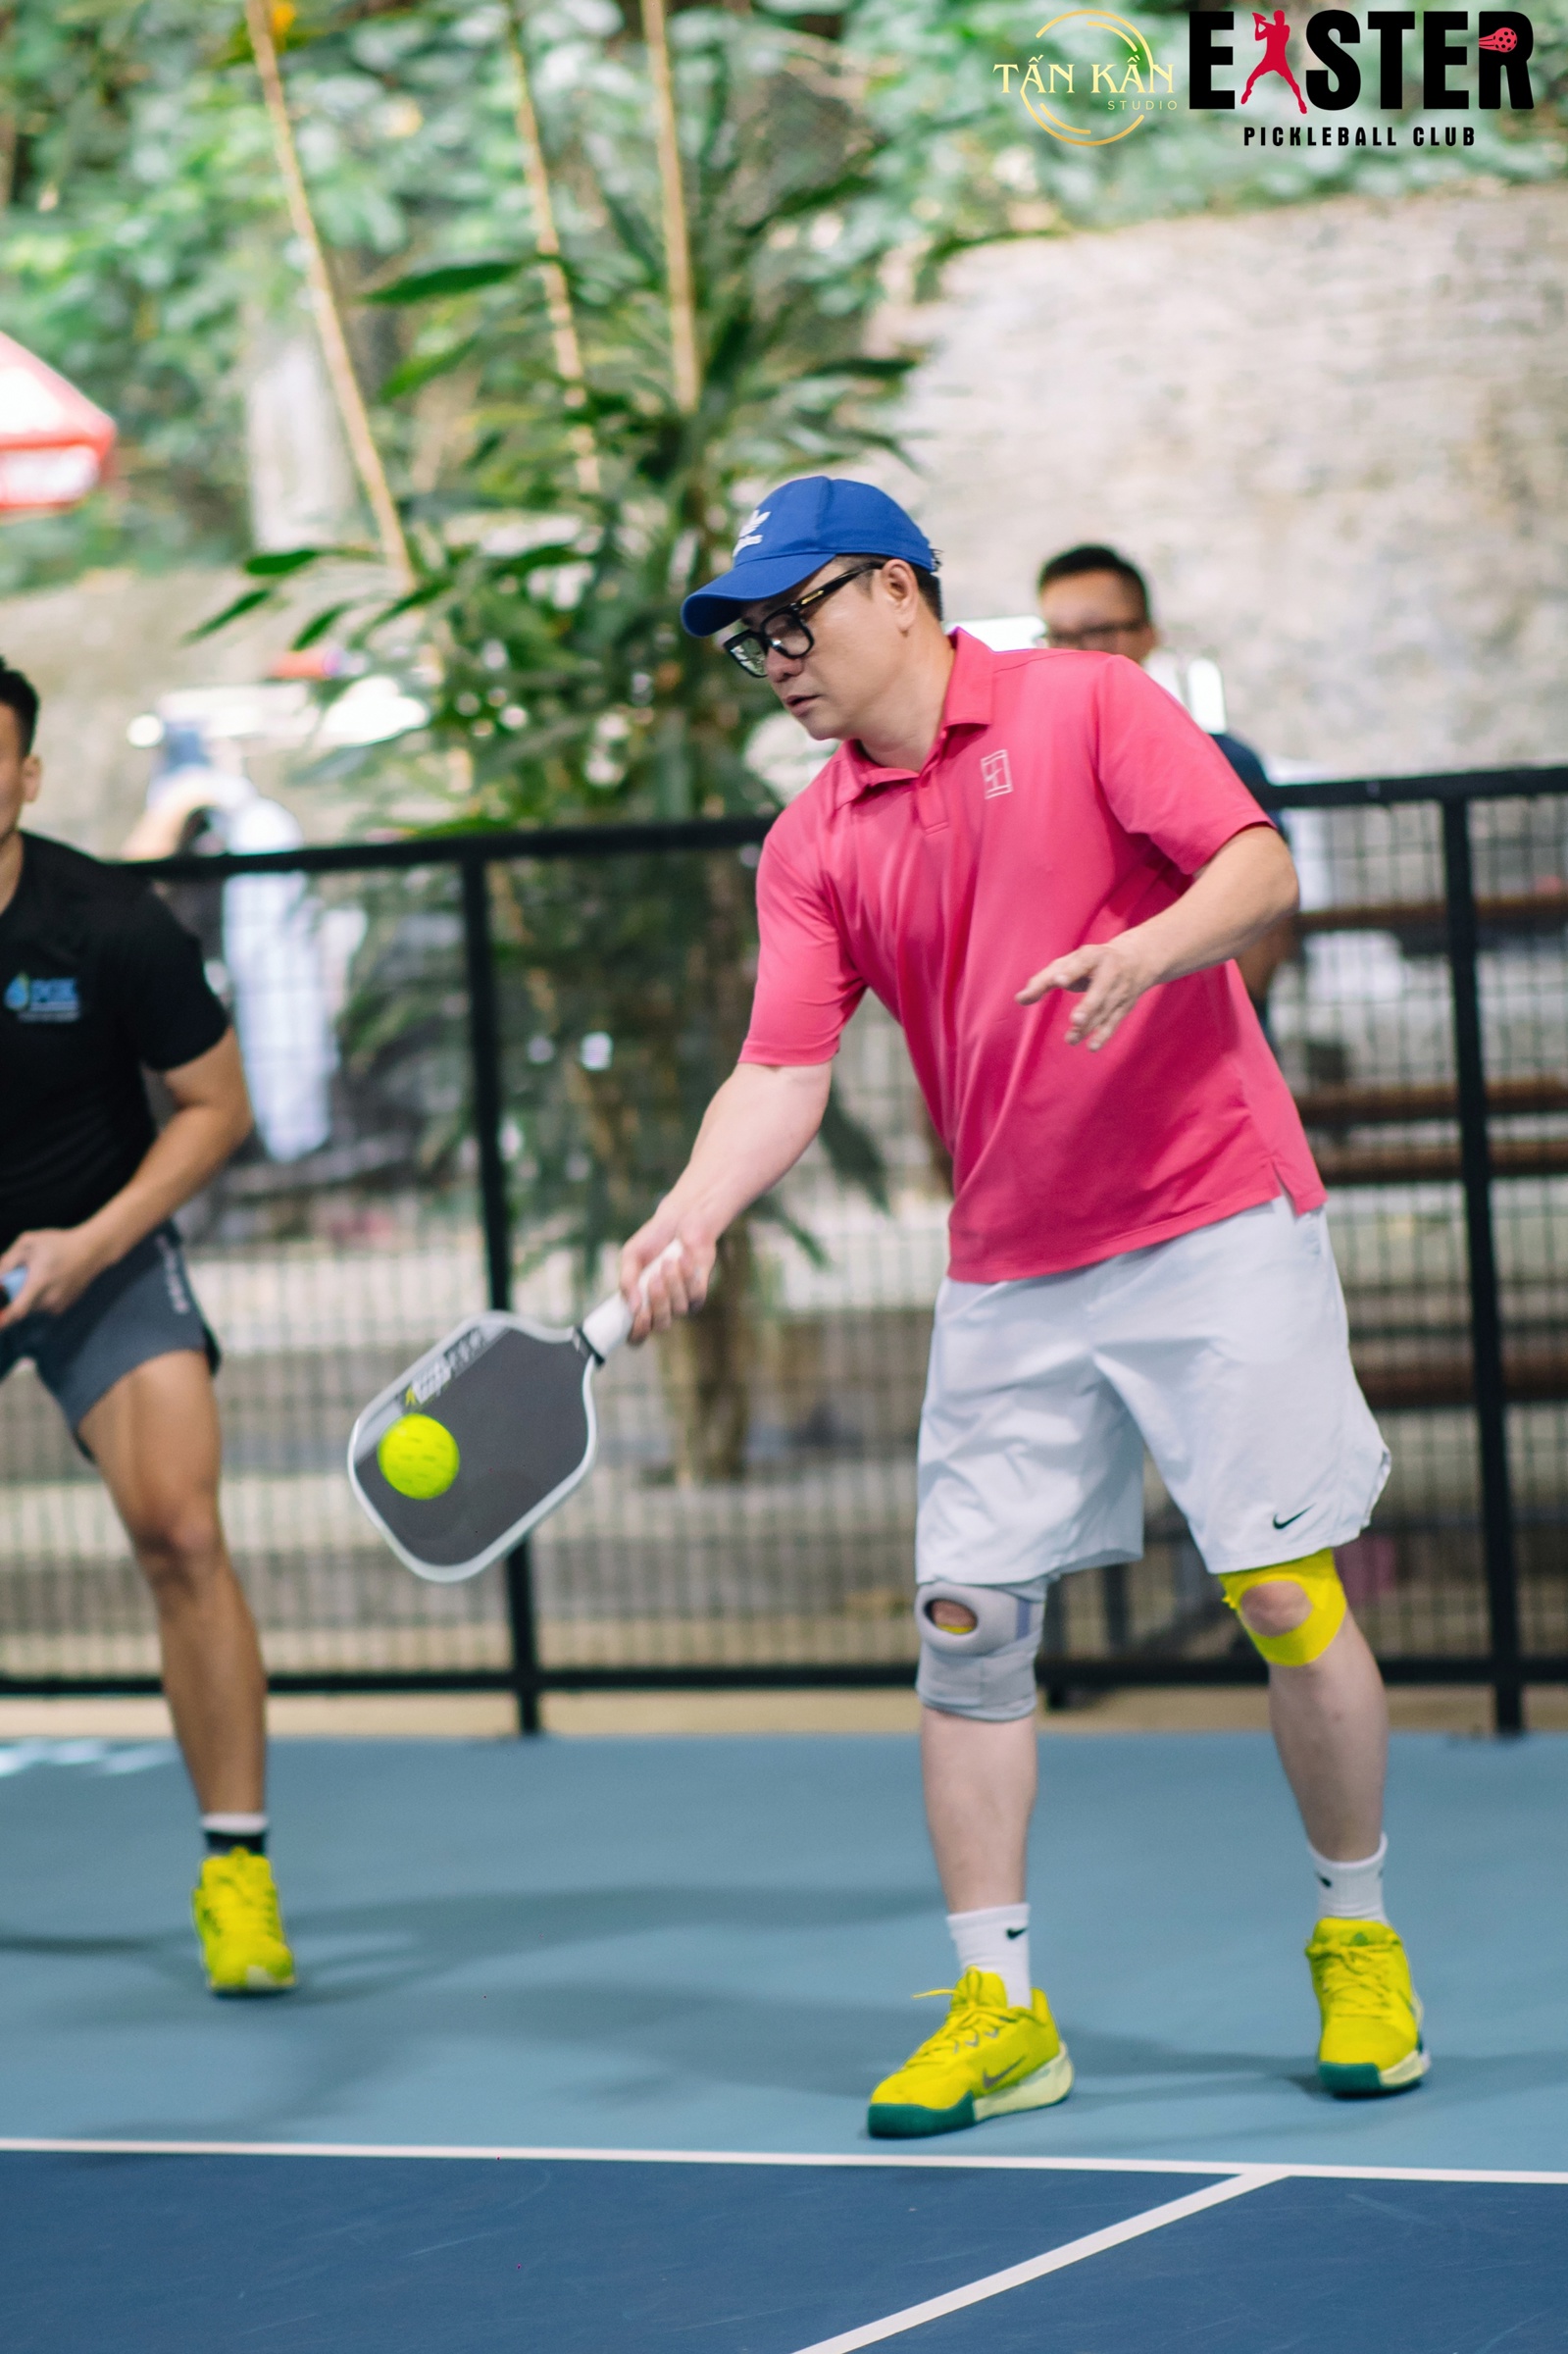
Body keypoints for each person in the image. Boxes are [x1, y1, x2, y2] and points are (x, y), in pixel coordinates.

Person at [621, 476, 1423, 2136]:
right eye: (751, 640)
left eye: (793, 619)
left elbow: (1253, 866)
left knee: (1282, 1599)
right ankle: (999, 2010)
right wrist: (688, 1211)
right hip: (1008, 1259)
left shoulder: (1082, 706)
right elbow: (780, 1069)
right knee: (965, 1630)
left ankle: (1355, 1937)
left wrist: (1149, 951)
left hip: (1209, 1215)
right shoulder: (809, 842)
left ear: (895, 589)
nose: (775, 660)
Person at [0, 658, 294, 1997]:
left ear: (26, 777)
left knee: (181, 1532)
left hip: (97, 1252)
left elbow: (216, 1108)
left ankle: (237, 1872)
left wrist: (91, 1242)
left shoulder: (110, 924)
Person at [1037, 543, 1295, 1017]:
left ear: (1146, 636)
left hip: (1198, 1020)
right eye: (1059, 635)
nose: (1076, 652)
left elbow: (1264, 917)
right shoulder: (1042, 769)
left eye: (1097, 631)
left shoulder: (1224, 760)